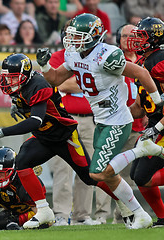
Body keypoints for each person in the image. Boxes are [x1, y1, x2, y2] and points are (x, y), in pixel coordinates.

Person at [35, 13, 162, 229]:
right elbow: (56, 79)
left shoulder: (107, 55)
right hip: (101, 120)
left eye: (78, 36)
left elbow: (141, 73)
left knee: (97, 173)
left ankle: (142, 151)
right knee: (107, 177)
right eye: (72, 36)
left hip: (117, 120)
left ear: (93, 36)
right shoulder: (75, 55)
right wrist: (45, 66)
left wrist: (158, 101)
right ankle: (140, 214)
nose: (73, 40)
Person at [0, 52, 124, 229]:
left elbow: (36, 120)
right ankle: (43, 210)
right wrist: (15, 103)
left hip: (63, 137)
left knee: (90, 177)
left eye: (13, 78)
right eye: (7, 78)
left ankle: (125, 201)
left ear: (25, 76)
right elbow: (20, 96)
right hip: (43, 137)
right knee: (22, 162)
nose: (8, 82)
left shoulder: (39, 84)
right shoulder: (23, 84)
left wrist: (2, 132)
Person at [48, 20, 108, 226]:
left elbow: (91, 79)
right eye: (69, 33)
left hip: (90, 119)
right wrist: (84, 79)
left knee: (89, 168)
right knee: (63, 168)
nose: (73, 38)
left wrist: (78, 80)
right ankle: (61, 214)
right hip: (64, 119)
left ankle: (82, 215)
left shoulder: (94, 56)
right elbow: (57, 81)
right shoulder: (58, 57)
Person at [113, 17, 164, 227]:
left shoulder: (160, 61)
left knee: (144, 175)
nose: (136, 41)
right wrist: (116, 114)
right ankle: (162, 217)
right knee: (137, 175)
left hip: (161, 125)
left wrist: (158, 127)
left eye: (141, 37)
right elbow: (140, 106)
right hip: (154, 124)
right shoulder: (142, 62)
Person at [111, 23, 145, 224]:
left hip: (142, 124)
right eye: (125, 36)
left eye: (133, 36)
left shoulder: (144, 60)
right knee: (115, 172)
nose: (129, 40)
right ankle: (117, 216)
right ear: (119, 38)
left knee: (133, 175)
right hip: (121, 124)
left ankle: (130, 215)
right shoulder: (114, 60)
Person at [0, 146, 49, 230]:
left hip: (24, 209)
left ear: (12, 171)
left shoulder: (24, 183)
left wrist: (33, 224)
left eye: (2, 172)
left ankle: (16, 222)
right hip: (4, 198)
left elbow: (45, 218)